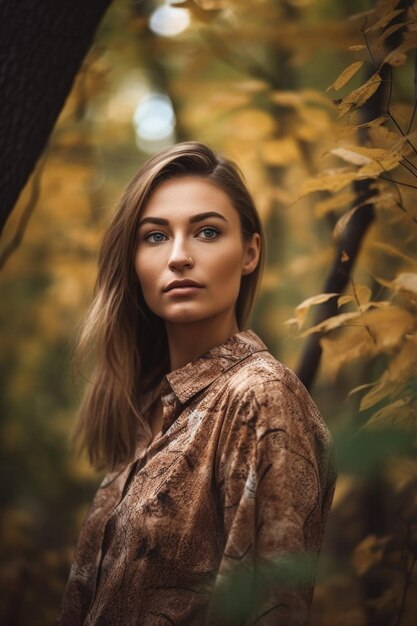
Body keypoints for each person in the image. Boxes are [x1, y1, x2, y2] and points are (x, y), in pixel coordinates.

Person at [57, 141, 337, 626]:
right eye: (155, 236)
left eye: (207, 231)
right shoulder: (150, 406)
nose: (180, 256)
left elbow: (271, 606)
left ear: (249, 252)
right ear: (134, 259)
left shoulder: (258, 396)